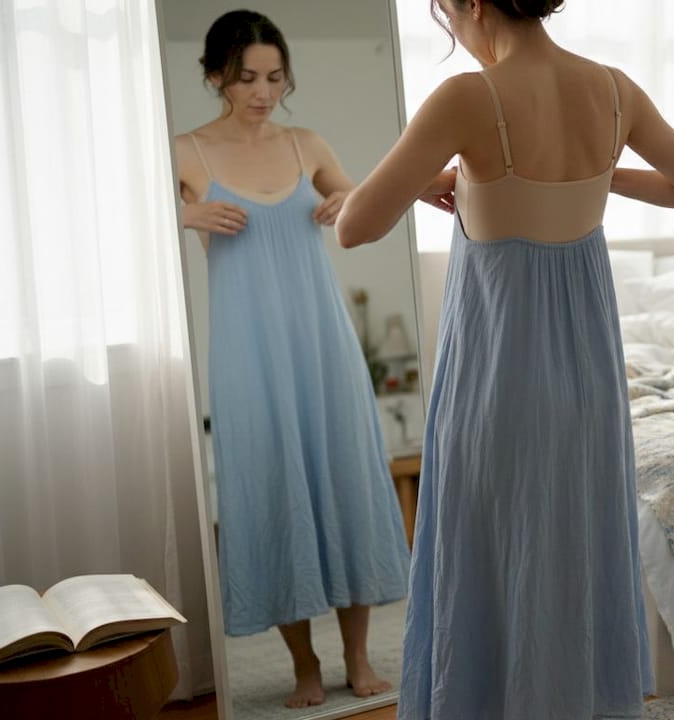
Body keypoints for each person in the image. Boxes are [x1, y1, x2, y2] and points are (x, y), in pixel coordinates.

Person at [337, 0, 674, 716]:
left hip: (499, 380)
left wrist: (435, 178)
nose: (454, 32)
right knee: (571, 547)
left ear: (475, 5)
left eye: (448, 14)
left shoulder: (466, 97)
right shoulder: (615, 91)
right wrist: (597, 177)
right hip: (589, 383)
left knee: (490, 553)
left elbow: (355, 225)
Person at [173, 10, 410, 710]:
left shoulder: (306, 143)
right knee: (271, 494)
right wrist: (184, 215)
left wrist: (342, 197)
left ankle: (358, 657)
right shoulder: (187, 153)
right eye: (246, 77)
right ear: (215, 76)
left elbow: (362, 196)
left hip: (323, 344)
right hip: (248, 355)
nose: (263, 91)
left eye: (275, 77)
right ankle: (305, 664)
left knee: (347, 487)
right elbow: (121, 221)